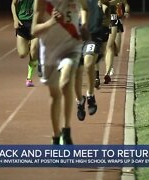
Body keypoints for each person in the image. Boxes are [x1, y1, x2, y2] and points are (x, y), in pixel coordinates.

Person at [31, 0, 88, 144]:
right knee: (55, 95)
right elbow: (34, 30)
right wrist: (51, 22)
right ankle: (55, 136)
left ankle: (66, 130)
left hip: (71, 46)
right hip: (49, 51)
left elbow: (85, 7)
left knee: (66, 82)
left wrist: (84, 25)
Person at [75, 0, 110, 121]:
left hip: (92, 35)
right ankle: (80, 101)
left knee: (89, 64)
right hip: (74, 38)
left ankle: (90, 96)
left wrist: (105, 4)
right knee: (76, 73)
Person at [11, 0, 39, 87]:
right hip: (22, 24)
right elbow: (13, 4)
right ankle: (34, 52)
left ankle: (29, 78)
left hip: (35, 23)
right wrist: (15, 19)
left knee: (34, 50)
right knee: (22, 54)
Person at [103, 0, 130, 84]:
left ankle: (109, 66)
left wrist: (126, 11)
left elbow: (125, 4)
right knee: (109, 47)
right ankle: (108, 72)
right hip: (106, 21)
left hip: (116, 20)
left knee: (116, 50)